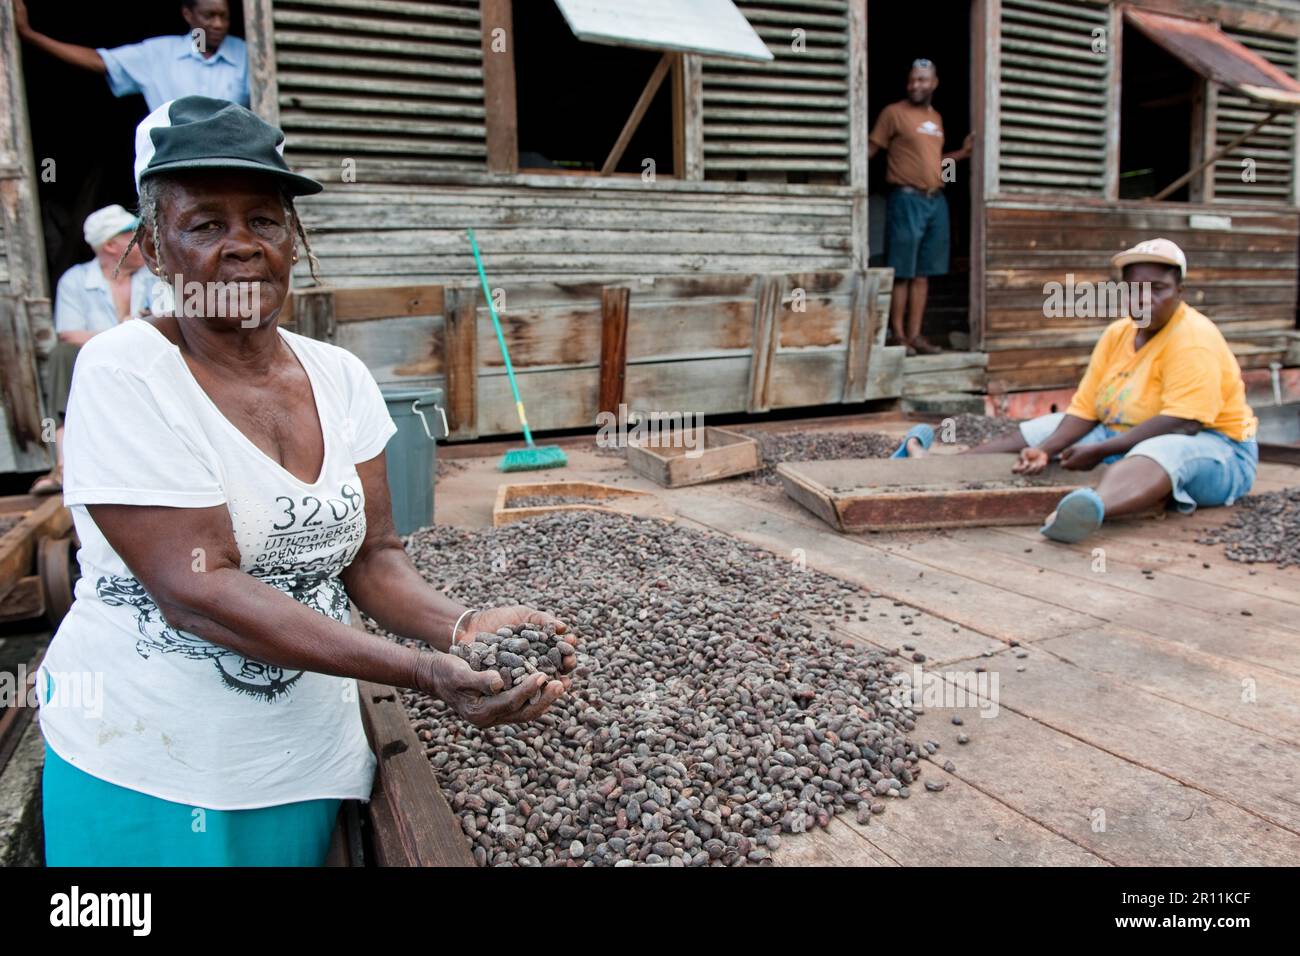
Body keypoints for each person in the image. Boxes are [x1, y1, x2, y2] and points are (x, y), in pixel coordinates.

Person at [37, 97, 574, 866]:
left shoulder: (339, 375)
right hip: (148, 763)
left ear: (295, 240)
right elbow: (197, 590)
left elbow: (374, 558)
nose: (242, 246)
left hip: (301, 756)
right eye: (205, 224)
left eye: (264, 220)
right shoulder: (125, 370)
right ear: (156, 252)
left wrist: (463, 630)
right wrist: (424, 672)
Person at [898, 239, 1259, 544]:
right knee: (1047, 427)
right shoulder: (1117, 334)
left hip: (1219, 452)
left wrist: (1100, 449)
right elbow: (1086, 409)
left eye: (1158, 289)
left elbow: (1183, 424)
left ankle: (1091, 509)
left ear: (1179, 292)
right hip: (1125, 436)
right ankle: (944, 469)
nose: (1145, 299)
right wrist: (1044, 450)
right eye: (1135, 289)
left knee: (1162, 448)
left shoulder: (1193, 338)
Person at [29, 205, 160, 496]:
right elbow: (69, 333)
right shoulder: (76, 280)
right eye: (133, 235)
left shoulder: (153, 277)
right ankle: (63, 467)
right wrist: (123, 332)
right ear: (112, 245)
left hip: (144, 356)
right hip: (97, 360)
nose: (143, 241)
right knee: (62, 355)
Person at [868, 59, 974, 355]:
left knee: (923, 273)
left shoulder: (936, 119)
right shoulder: (893, 113)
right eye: (913, 79)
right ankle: (898, 335)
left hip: (934, 200)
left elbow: (935, 163)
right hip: (905, 198)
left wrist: (963, 155)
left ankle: (916, 335)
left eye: (923, 80)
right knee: (902, 271)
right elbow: (870, 149)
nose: (916, 85)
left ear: (934, 83)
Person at [13, 0, 249, 111]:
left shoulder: (246, 54)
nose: (218, 24)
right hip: (173, 168)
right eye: (210, 16)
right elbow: (98, 60)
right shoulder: (159, 54)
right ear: (188, 15)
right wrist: (30, 36)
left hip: (232, 168)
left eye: (224, 16)